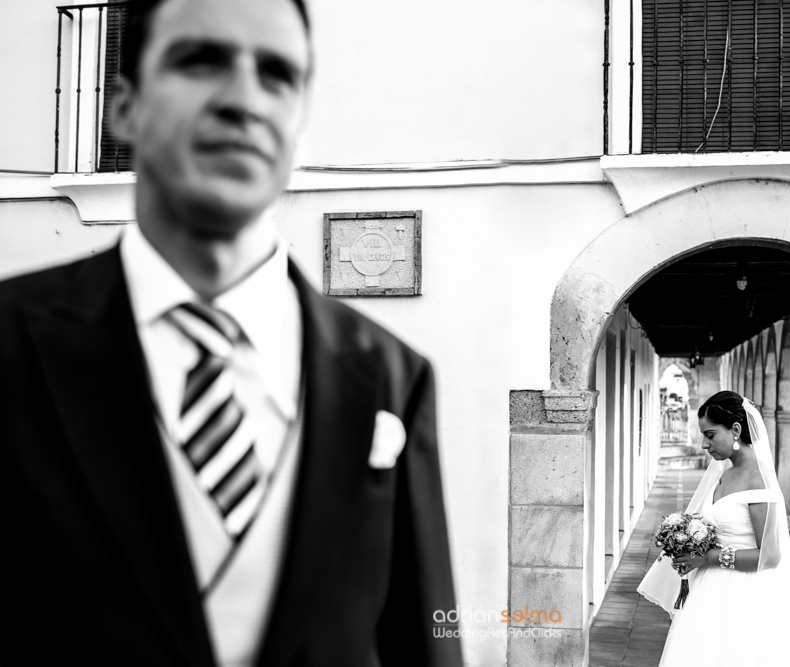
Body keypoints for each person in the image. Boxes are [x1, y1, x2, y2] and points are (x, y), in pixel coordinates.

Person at [0, 0, 462, 665]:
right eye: (201, 60)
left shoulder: (393, 377)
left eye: (277, 74)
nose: (243, 99)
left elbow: (425, 643)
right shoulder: (11, 348)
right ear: (124, 107)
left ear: (299, 121)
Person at [637, 391, 790, 666]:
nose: (703, 444)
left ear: (735, 430)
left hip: (746, 596)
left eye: (710, 435)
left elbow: (770, 556)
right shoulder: (725, 473)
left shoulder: (758, 480)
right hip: (710, 592)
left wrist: (709, 557)